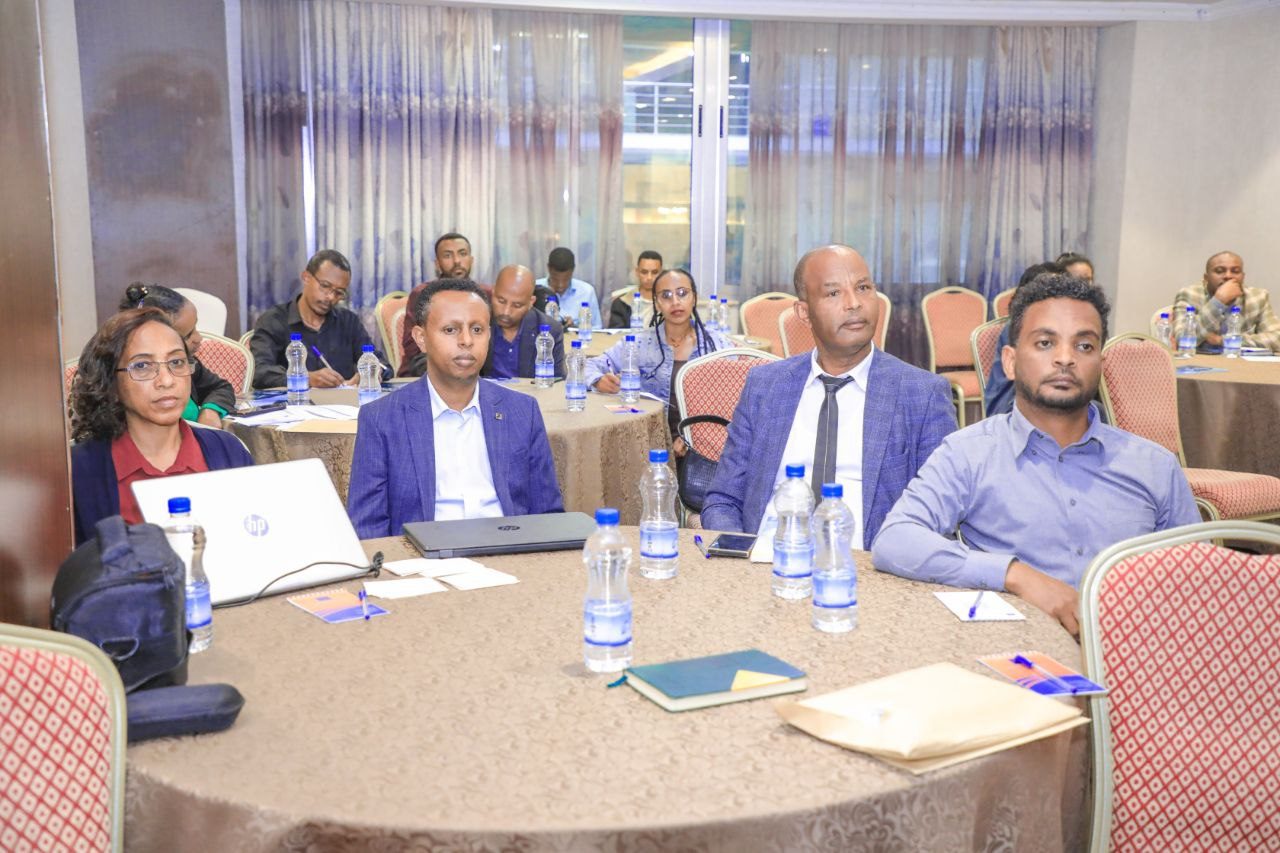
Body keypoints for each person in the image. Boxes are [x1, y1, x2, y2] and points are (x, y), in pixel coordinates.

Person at [873, 274, 1199, 635]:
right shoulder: (969, 453)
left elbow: (1198, 582)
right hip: (1018, 652)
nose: (1065, 359)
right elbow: (896, 540)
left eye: (1084, 346)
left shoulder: (1154, 466)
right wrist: (1016, 575)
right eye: (1045, 343)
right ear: (1010, 362)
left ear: (1101, 364)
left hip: (1135, 648)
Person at [701, 245, 956, 548]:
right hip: (766, 560)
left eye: (863, 288)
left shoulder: (922, 394)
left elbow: (941, 514)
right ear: (804, 312)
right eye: (834, 293)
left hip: (866, 566)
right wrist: (741, 552)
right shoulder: (765, 386)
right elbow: (723, 499)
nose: (854, 303)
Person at [347, 280, 564, 538]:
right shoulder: (381, 418)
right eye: (450, 330)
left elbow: (547, 516)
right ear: (421, 338)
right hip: (422, 556)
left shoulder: (522, 411)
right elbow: (368, 530)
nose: (466, 341)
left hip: (508, 549)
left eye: (477, 329)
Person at [69, 308, 254, 545]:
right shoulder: (80, 470)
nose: (166, 380)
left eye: (176, 362)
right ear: (110, 381)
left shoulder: (228, 451)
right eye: (142, 366)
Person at [585, 268, 731, 444]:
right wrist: (598, 380)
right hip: (647, 440)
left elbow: (734, 399)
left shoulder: (716, 344)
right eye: (666, 295)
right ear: (657, 303)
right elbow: (587, 366)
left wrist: (693, 439)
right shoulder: (639, 343)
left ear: (694, 298)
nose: (675, 302)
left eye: (682, 293)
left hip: (703, 443)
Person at [249, 249, 387, 389]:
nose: (330, 297)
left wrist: (373, 372)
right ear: (306, 277)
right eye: (325, 286)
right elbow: (259, 372)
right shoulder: (274, 320)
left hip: (344, 401)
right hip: (295, 401)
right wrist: (305, 378)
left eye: (339, 293)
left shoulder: (348, 321)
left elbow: (381, 363)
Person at [118, 283, 235, 427]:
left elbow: (220, 387)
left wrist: (210, 411)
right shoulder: (125, 381)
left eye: (195, 327)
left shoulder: (184, 363)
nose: (199, 338)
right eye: (188, 335)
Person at [983, 261, 1066, 417]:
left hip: (1052, 395)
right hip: (1011, 401)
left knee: (1094, 410)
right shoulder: (1016, 328)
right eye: (1049, 292)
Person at [400, 232, 478, 377]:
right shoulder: (423, 294)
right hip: (425, 372)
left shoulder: (482, 296)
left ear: (471, 259)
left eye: (462, 254)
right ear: (437, 264)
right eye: (448, 255)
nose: (457, 261)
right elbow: (414, 347)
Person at [1172, 251, 1280, 352]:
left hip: (1242, 362)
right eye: (1219, 271)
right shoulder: (1190, 295)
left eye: (1235, 271)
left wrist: (1223, 341)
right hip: (1201, 361)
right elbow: (1182, 340)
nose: (1228, 276)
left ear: (1242, 277)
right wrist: (1218, 302)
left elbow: (1276, 339)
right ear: (1206, 278)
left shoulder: (1258, 297)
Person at [481, 264, 565, 380]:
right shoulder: (478, 322)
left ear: (531, 302)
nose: (506, 312)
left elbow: (556, 382)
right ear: (493, 292)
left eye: (517, 305)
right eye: (501, 301)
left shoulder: (550, 330)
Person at [536, 247, 601, 329]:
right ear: (548, 269)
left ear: (573, 270)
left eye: (566, 279)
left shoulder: (587, 291)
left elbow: (597, 328)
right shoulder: (535, 289)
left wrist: (575, 328)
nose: (560, 285)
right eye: (555, 279)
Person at [608, 250, 664, 329]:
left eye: (654, 272)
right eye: (644, 272)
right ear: (637, 272)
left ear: (661, 273)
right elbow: (617, 334)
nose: (649, 277)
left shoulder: (670, 302)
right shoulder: (622, 303)